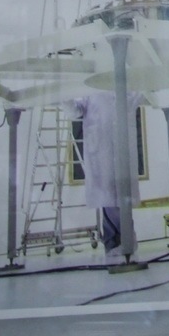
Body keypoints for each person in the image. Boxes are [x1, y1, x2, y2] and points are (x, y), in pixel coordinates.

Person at [64, 90, 145, 260]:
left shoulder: (126, 88)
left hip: (121, 150)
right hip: (100, 152)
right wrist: (62, 97)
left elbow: (138, 97)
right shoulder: (89, 89)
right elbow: (75, 111)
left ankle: (124, 241)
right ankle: (116, 243)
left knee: (119, 199)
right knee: (107, 198)